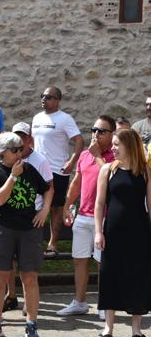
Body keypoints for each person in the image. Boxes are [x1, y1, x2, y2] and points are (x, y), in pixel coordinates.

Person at [0, 132, 50, 337]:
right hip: (2, 228)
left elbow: (48, 189)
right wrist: (13, 176)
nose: (21, 153)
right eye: (16, 149)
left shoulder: (29, 169)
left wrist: (44, 211)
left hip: (28, 229)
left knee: (30, 277)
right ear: (3, 152)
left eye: (22, 148)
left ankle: (31, 325)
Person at [94, 129, 151, 337]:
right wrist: (98, 232)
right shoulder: (108, 170)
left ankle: (137, 329)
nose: (113, 148)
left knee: (138, 277)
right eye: (113, 144)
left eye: (117, 144)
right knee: (110, 276)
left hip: (139, 232)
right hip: (113, 233)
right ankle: (108, 327)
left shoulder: (144, 171)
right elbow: (100, 204)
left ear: (130, 145)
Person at [57, 116, 115, 320]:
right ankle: (80, 302)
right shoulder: (83, 155)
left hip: (105, 218)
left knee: (103, 263)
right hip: (82, 215)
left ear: (112, 135)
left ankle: (104, 303)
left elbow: (111, 180)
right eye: (94, 130)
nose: (96, 134)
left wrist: (98, 155)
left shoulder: (115, 156)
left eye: (102, 131)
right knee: (79, 260)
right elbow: (76, 183)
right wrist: (66, 206)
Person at [5, 122, 54, 312]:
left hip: (32, 216)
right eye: (16, 136)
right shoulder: (8, 159)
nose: (20, 140)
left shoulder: (39, 161)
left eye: (23, 137)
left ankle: (29, 302)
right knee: (8, 261)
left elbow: (50, 187)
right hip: (12, 215)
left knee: (28, 263)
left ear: (29, 139)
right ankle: (11, 295)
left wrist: (44, 211)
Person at [31, 87, 84, 257]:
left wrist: (71, 161)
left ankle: (52, 244)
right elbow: (33, 142)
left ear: (57, 100)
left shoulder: (64, 119)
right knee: (35, 205)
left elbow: (79, 141)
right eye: (42, 96)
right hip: (37, 170)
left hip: (57, 171)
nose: (44, 99)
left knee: (56, 208)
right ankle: (33, 242)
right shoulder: (37, 118)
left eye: (48, 97)